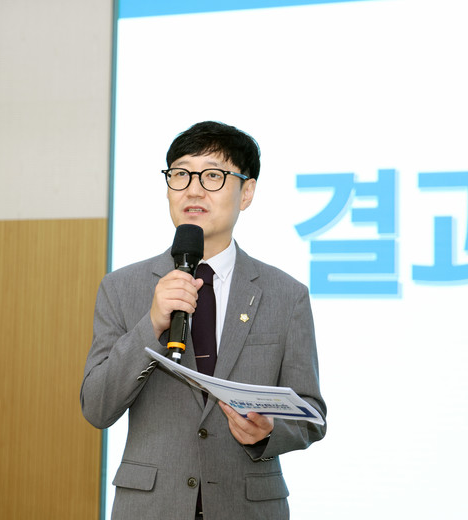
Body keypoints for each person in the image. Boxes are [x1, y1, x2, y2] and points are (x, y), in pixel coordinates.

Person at [81, 121, 327, 520]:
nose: (193, 190)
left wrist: (269, 431)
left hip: (247, 508)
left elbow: (311, 414)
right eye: (181, 174)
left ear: (246, 192)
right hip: (151, 507)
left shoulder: (286, 295)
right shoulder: (121, 287)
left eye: (213, 176)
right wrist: (151, 324)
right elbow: (96, 407)